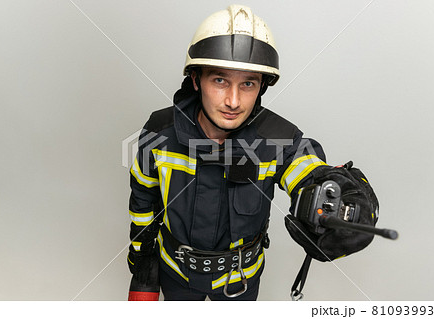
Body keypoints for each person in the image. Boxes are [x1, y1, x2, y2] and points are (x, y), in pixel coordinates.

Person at [126, 4, 379, 301]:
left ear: (262, 87)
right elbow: (143, 199)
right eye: (220, 80)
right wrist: (141, 256)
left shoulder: (279, 139)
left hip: (240, 283)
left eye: (248, 83)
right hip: (175, 275)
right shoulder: (159, 132)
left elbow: (306, 167)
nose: (233, 101)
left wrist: (335, 192)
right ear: (196, 79)